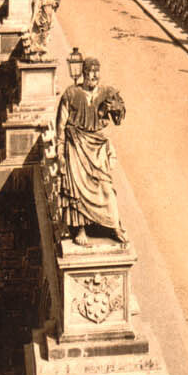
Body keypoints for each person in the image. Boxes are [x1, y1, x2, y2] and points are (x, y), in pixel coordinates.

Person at [54, 58, 127, 247]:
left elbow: (118, 119)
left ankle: (114, 226)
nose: (94, 76)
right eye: (90, 72)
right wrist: (60, 152)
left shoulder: (106, 93)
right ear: (84, 74)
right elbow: (60, 126)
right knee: (76, 189)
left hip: (97, 146)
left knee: (106, 187)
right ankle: (80, 229)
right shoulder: (71, 94)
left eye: (96, 72)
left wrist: (116, 109)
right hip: (76, 145)